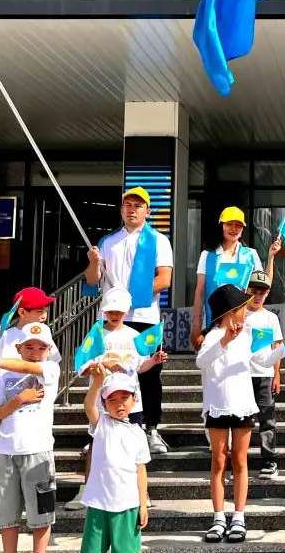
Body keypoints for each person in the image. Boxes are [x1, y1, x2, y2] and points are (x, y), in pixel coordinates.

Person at [196, 285, 285, 543]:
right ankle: (218, 517)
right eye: (241, 307)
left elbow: (262, 361)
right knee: (218, 461)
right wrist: (226, 340)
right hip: (217, 406)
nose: (245, 311)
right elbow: (201, 362)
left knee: (240, 461)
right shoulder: (212, 336)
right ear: (229, 312)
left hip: (242, 406)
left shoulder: (247, 335)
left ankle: (238, 516)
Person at [85, 187, 174, 455]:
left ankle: (151, 428)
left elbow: (164, 279)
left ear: (148, 211)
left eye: (138, 205)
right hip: (110, 318)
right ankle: (100, 428)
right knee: (106, 371)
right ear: (121, 209)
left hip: (144, 318)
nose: (132, 209)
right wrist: (93, 262)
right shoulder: (107, 242)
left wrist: (127, 299)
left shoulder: (159, 240)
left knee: (149, 374)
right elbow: (93, 280)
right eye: (128, 205)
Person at [66, 288, 165, 511]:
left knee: (133, 445)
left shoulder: (133, 335)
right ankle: (89, 488)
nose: (114, 315)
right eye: (110, 311)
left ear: (126, 311)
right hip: (103, 400)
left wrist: (154, 361)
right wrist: (102, 364)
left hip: (130, 402)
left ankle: (140, 492)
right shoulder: (96, 334)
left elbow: (140, 366)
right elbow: (82, 365)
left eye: (119, 311)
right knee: (96, 443)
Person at [0, 324, 61, 553]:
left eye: (41, 347)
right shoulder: (6, 376)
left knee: (42, 513)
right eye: (29, 347)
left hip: (38, 451)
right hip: (6, 452)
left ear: (49, 350)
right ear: (18, 348)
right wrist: (19, 400)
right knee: (6, 516)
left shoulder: (51, 369)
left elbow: (28, 366)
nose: (35, 352)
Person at [80, 368, 151, 553]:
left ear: (134, 399)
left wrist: (143, 504)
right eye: (112, 400)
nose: (119, 404)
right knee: (91, 550)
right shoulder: (101, 423)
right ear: (104, 404)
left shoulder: (138, 433)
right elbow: (89, 405)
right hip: (98, 502)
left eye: (124, 398)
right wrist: (97, 382)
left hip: (127, 504)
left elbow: (141, 470)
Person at [244, 270, 285, 481]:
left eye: (262, 292)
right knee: (242, 421)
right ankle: (239, 463)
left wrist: (277, 374)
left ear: (267, 293)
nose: (257, 296)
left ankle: (269, 460)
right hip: (241, 375)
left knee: (267, 419)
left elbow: (277, 347)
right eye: (254, 291)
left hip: (264, 374)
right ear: (246, 290)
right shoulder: (239, 314)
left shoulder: (270, 318)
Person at [191, 206, 276, 333]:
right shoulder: (207, 255)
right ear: (221, 226)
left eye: (238, 225)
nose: (234, 229)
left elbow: (264, 283)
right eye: (229, 224)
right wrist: (196, 325)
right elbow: (200, 291)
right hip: (213, 323)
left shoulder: (250, 254)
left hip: (243, 323)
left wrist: (271, 257)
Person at [0, 287, 58, 367]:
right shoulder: (4, 335)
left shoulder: (45, 331)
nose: (44, 316)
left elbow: (54, 363)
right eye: (39, 312)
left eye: (46, 311)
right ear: (22, 312)